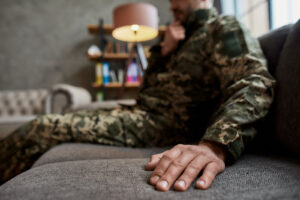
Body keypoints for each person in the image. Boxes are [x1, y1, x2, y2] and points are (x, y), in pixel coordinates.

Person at [0, 0, 275, 192]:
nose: (172, 6)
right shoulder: (176, 40)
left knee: (41, 128)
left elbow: (253, 81)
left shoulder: (222, 27)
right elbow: (147, 92)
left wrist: (215, 145)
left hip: (160, 124)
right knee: (58, 119)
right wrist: (162, 54)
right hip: (140, 113)